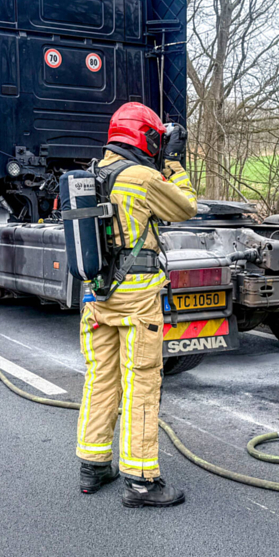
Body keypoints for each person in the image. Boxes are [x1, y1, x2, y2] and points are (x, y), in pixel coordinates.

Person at [75, 102, 198, 508]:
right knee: (142, 384)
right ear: (143, 139)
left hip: (97, 297)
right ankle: (143, 481)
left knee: (100, 380)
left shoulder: (90, 173)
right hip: (137, 298)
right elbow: (186, 207)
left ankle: (93, 466)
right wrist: (175, 163)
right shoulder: (142, 177)